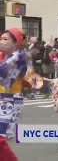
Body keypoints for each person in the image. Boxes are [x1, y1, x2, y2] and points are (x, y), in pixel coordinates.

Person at [0, 28, 31, 161]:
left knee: (0, 140)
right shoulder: (5, 56)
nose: (1, 41)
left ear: (16, 43)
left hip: (10, 100)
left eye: (5, 39)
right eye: (0, 39)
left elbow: (4, 73)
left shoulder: (19, 56)